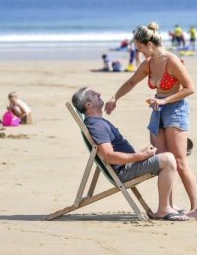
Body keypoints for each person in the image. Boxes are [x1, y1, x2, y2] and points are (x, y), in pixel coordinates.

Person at [105, 25, 197, 219]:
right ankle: (169, 207)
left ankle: (195, 209)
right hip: (158, 111)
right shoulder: (149, 63)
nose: (139, 52)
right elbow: (131, 82)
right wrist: (115, 97)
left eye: (140, 48)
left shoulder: (171, 61)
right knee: (166, 160)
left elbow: (190, 88)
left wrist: (164, 100)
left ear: (149, 44)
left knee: (180, 161)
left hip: (176, 109)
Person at [73, 87, 189, 221]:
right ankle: (163, 210)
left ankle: (168, 205)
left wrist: (142, 154)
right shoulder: (96, 125)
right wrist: (140, 156)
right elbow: (109, 156)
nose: (99, 93)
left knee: (167, 155)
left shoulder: (97, 122)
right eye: (94, 95)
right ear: (88, 105)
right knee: (168, 159)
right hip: (124, 171)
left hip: (128, 164)